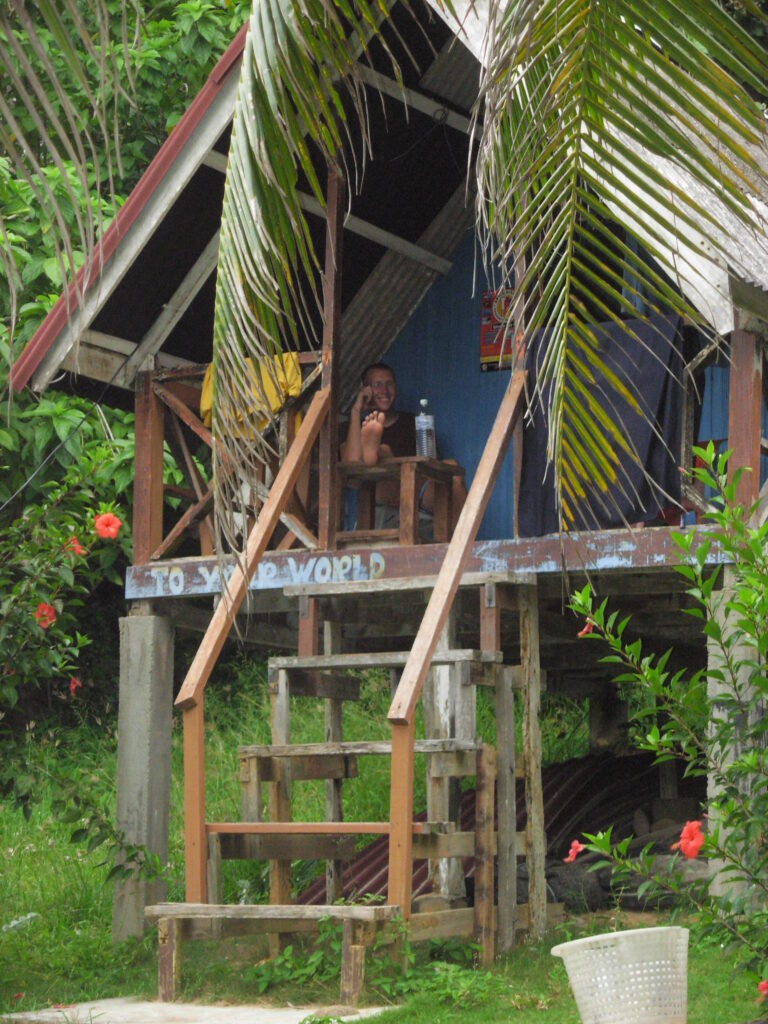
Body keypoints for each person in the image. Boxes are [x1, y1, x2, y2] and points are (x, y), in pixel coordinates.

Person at [341, 362, 466, 534]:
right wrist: (356, 410)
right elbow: (351, 462)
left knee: (452, 468)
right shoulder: (356, 427)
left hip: (417, 496)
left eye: (389, 383)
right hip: (385, 502)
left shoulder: (413, 421)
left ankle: (459, 541)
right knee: (385, 451)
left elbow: (431, 461)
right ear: (366, 390)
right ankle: (375, 452)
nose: (385, 390)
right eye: (377, 384)